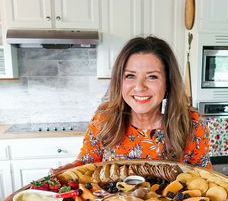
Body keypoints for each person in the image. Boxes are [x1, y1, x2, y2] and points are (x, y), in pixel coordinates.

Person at [51, 35, 212, 175]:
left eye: (152, 77)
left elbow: (204, 180)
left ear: (168, 83)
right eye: (130, 76)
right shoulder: (104, 118)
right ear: (119, 80)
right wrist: (72, 169)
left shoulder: (192, 123)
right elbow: (87, 164)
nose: (139, 86)